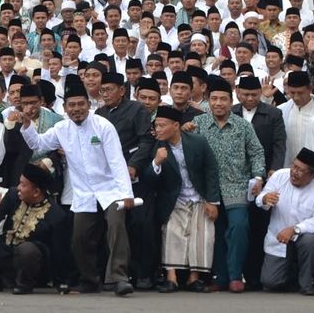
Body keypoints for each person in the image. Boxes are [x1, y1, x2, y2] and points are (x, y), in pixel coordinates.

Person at [12, 74, 135, 296]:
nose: (76, 109)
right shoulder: (62, 129)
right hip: (83, 192)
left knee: (116, 227)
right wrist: (28, 125)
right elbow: (38, 144)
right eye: (72, 105)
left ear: (89, 105)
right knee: (79, 238)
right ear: (65, 108)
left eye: (81, 104)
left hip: (111, 190)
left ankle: (119, 278)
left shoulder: (103, 126)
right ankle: (90, 280)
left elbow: (117, 162)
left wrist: (126, 193)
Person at [192, 77, 266, 293]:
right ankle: (220, 277)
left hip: (237, 187)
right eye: (214, 99)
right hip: (208, 190)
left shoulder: (243, 126)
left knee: (239, 228)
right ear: (208, 100)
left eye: (223, 99)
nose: (218, 103)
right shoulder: (199, 124)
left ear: (231, 100)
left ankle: (235, 275)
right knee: (214, 232)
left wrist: (259, 177)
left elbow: (256, 152)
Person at [144, 106, 220, 293]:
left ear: (176, 125)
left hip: (199, 196)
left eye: (162, 125)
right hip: (173, 199)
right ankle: (172, 278)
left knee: (201, 235)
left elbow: (211, 170)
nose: (158, 129)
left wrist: (212, 201)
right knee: (171, 233)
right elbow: (149, 180)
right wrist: (157, 163)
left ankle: (194, 278)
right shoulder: (157, 146)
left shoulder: (197, 142)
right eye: (156, 126)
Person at [95, 72, 156, 288]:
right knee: (111, 225)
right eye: (103, 90)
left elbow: (147, 140)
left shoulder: (137, 109)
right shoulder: (99, 113)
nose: (106, 94)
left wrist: (134, 165)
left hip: (133, 175)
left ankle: (144, 274)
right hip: (107, 180)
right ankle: (111, 273)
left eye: (110, 89)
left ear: (122, 90)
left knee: (140, 224)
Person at [0, 162, 67, 294]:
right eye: (19, 183)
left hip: (31, 262)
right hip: (5, 250)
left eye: (23, 185)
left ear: (36, 192)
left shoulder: (56, 214)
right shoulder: (13, 194)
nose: (18, 187)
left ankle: (25, 285)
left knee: (27, 248)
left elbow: (59, 253)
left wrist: (62, 284)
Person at [231, 75, 287, 289]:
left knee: (258, 226)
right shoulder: (231, 111)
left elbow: (279, 144)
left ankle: (254, 275)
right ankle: (236, 273)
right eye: (245, 94)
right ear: (237, 92)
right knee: (238, 226)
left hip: (262, 179)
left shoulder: (273, 113)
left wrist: (273, 171)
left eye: (254, 94)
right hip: (235, 178)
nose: (250, 98)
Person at [257, 148, 314, 295]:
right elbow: (261, 198)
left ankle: (306, 283)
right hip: (279, 237)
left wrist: (295, 229)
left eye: (300, 170)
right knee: (270, 282)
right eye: (294, 166)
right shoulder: (280, 176)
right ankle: (291, 274)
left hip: (303, 237)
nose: (294, 172)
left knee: (310, 240)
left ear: (312, 175)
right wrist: (265, 199)